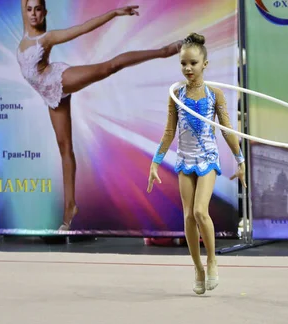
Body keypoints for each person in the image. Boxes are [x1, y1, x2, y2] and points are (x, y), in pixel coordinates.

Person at [17, 0, 183, 230]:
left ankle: (165, 51)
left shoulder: (46, 38)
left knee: (109, 66)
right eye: (29, 9)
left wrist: (114, 13)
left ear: (44, 13)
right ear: (24, 11)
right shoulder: (25, 30)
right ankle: (70, 208)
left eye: (38, 9)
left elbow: (83, 28)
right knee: (65, 149)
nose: (33, 14)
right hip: (49, 95)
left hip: (58, 79)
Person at [146, 33, 246, 295]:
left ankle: (212, 260)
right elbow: (169, 132)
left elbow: (226, 130)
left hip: (208, 159)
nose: (188, 68)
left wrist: (240, 160)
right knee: (188, 216)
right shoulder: (176, 94)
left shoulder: (216, 94)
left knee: (201, 212)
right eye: (183, 64)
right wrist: (155, 162)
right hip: (185, 159)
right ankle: (197, 268)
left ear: (205, 64)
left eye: (193, 63)